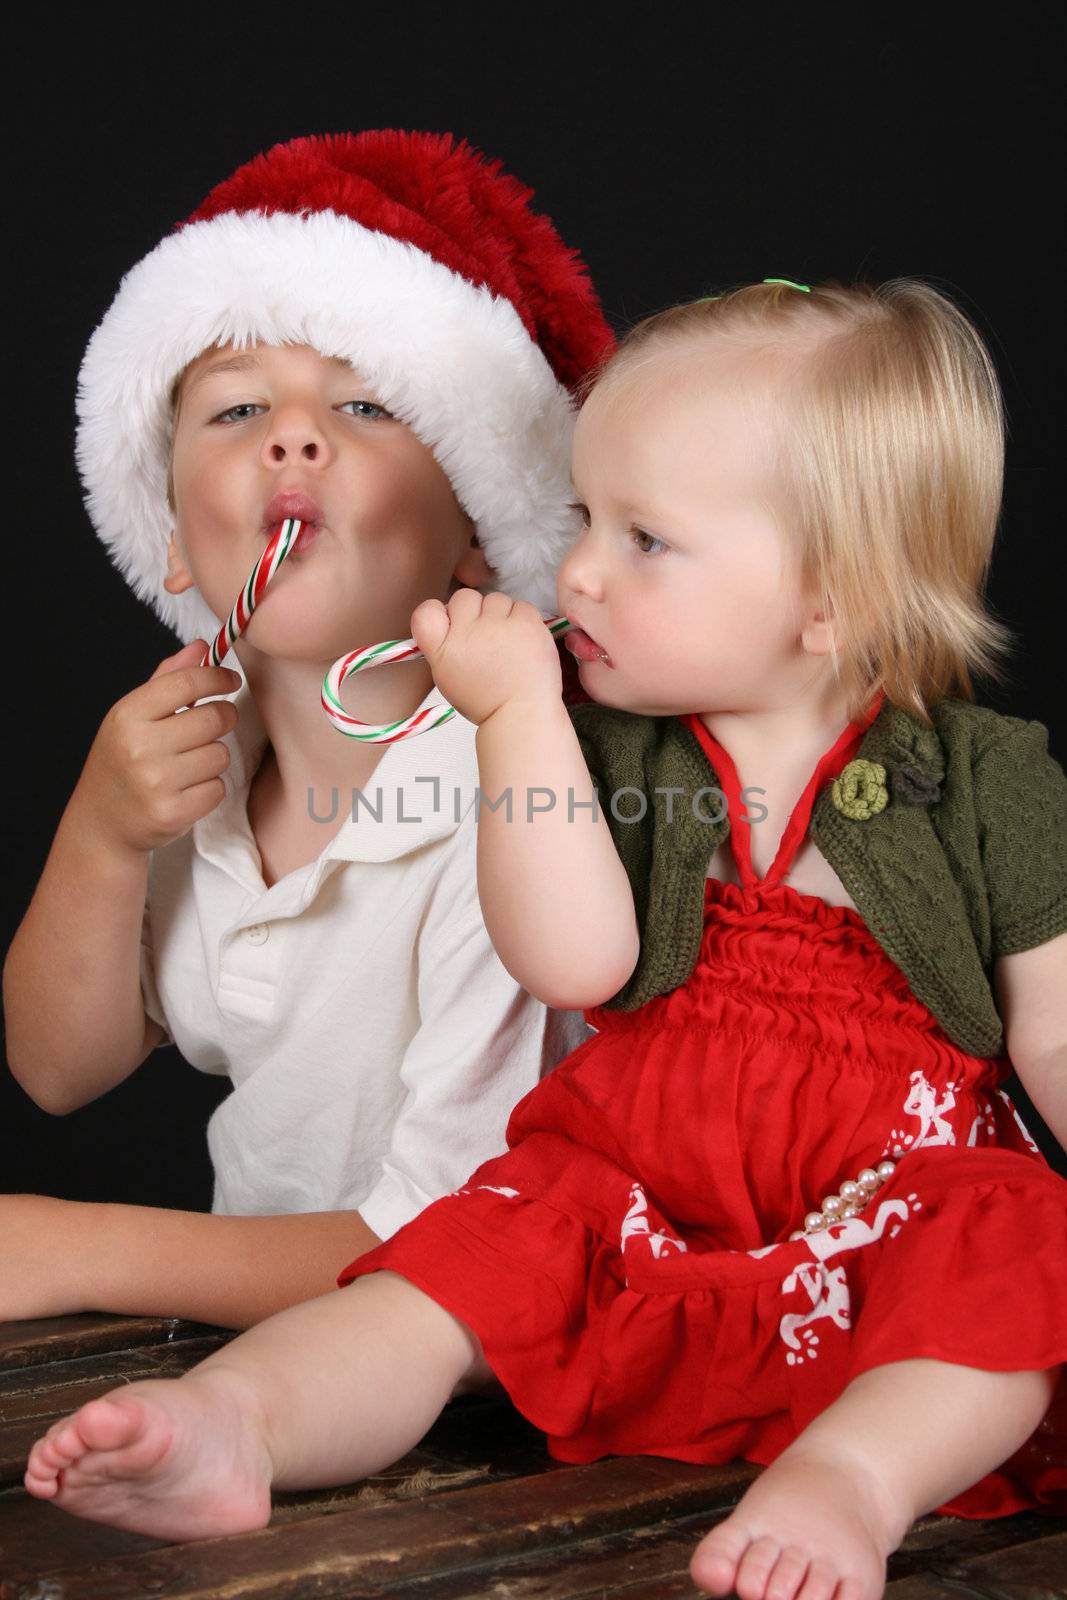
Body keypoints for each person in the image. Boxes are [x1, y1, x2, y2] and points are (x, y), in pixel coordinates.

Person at [23, 279, 1067, 1600]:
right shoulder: (601, 748)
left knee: (1003, 1263)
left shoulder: (981, 780)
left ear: (829, 598)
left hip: (884, 1192)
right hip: (632, 1186)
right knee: (442, 1275)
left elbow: (1050, 1022)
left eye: (644, 539)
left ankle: (849, 1483)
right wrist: (516, 717)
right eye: (582, 517)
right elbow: (572, 963)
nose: (571, 569)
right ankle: (241, 1422)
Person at [2, 130, 614, 1329]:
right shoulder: (191, 763)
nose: (291, 436)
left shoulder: (514, 792)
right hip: (279, 1361)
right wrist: (100, 836)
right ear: (172, 533)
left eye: (364, 403)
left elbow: (460, 1239)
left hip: (484, 1359)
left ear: (477, 528)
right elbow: (57, 1068)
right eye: (234, 410)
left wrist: (71, 1249)